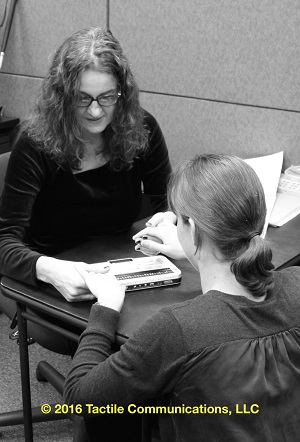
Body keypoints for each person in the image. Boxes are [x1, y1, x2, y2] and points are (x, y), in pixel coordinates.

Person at [64, 154, 300, 441]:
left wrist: (105, 309)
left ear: (193, 228)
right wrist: (196, 251)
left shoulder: (177, 329)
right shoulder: (297, 281)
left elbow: (80, 399)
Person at [0, 27, 171, 352]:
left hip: (122, 267)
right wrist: (49, 270)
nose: (95, 111)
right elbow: (4, 241)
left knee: (167, 336)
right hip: (58, 277)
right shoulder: (36, 145)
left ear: (123, 91)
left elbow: (168, 202)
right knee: (140, 352)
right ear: (62, 95)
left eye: (107, 97)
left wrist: (169, 219)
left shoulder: (141, 127)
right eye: (82, 98)